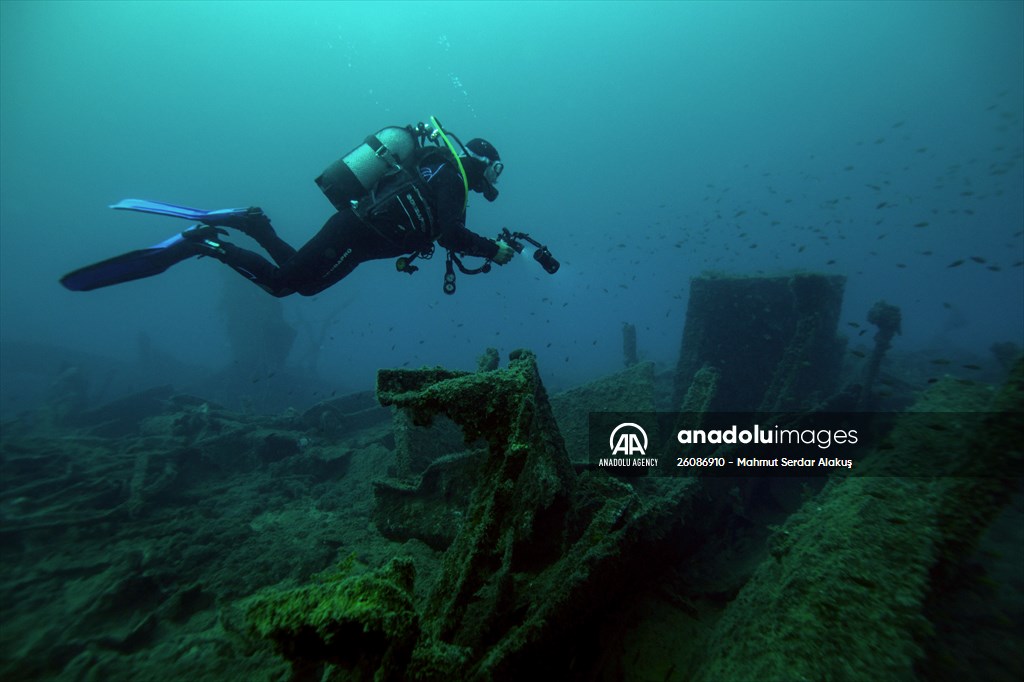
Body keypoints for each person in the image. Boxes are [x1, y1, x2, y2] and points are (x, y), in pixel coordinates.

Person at [60, 120, 514, 296]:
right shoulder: (451, 176)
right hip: (356, 232)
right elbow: (449, 235)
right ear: (485, 166)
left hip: (358, 237)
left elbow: (440, 227)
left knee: (302, 281)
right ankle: (205, 244)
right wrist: (492, 251)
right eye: (494, 176)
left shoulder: (433, 165)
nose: (491, 186)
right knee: (283, 284)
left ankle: (253, 224)